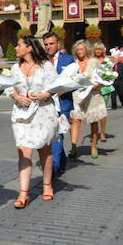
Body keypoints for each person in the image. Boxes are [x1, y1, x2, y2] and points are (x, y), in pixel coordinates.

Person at [6, 35, 59, 208]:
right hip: (22, 114)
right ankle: (23, 193)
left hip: (43, 112)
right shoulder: (15, 68)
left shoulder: (46, 66)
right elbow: (8, 86)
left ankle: (47, 184)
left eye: (18, 45)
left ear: (29, 48)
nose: (15, 48)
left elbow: (56, 86)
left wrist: (44, 94)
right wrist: (16, 96)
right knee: (24, 150)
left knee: (44, 150)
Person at [69, 40, 107, 159]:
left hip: (93, 95)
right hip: (78, 95)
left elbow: (102, 79)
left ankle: (94, 146)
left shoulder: (94, 62)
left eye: (82, 49)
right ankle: (74, 147)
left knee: (93, 120)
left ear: (86, 50)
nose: (79, 52)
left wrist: (95, 85)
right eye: (78, 50)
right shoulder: (73, 64)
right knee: (76, 120)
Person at [42, 32, 73, 176]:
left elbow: (75, 81)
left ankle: (53, 166)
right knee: (50, 134)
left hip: (63, 104)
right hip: (47, 104)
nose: (48, 47)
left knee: (58, 134)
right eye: (46, 44)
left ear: (58, 44)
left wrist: (63, 89)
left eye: (51, 44)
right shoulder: (41, 61)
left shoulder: (68, 59)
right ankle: (61, 161)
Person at [92, 42, 111, 143]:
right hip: (94, 89)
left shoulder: (107, 61)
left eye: (100, 49)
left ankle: (102, 132)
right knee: (95, 111)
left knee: (103, 112)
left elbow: (110, 74)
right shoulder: (91, 61)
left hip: (105, 88)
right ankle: (94, 132)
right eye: (96, 49)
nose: (98, 51)